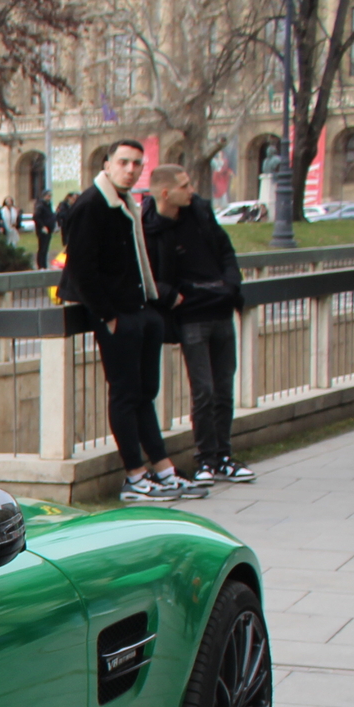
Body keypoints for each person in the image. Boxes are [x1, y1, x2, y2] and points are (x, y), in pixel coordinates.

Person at [62, 140, 205, 502]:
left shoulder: (127, 204)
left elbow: (137, 260)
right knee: (126, 395)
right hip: (117, 316)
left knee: (144, 395)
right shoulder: (92, 204)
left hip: (140, 311)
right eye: (124, 162)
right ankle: (134, 476)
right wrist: (108, 316)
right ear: (107, 164)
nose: (131, 169)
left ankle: (163, 470)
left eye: (137, 164)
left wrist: (151, 304)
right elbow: (81, 268)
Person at [148, 163, 257, 484]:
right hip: (191, 316)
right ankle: (205, 458)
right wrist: (173, 296)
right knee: (204, 391)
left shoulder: (201, 213)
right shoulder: (152, 226)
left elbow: (226, 251)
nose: (191, 190)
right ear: (166, 193)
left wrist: (230, 285)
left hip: (221, 310)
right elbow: (150, 275)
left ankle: (223, 456)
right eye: (184, 186)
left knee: (224, 387)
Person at [32, 190, 56, 268]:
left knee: (45, 248)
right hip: (43, 230)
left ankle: (44, 265)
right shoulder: (40, 205)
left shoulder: (48, 205)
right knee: (42, 248)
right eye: (48, 196)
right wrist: (42, 226)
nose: (50, 198)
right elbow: (36, 217)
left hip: (49, 229)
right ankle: (41, 265)